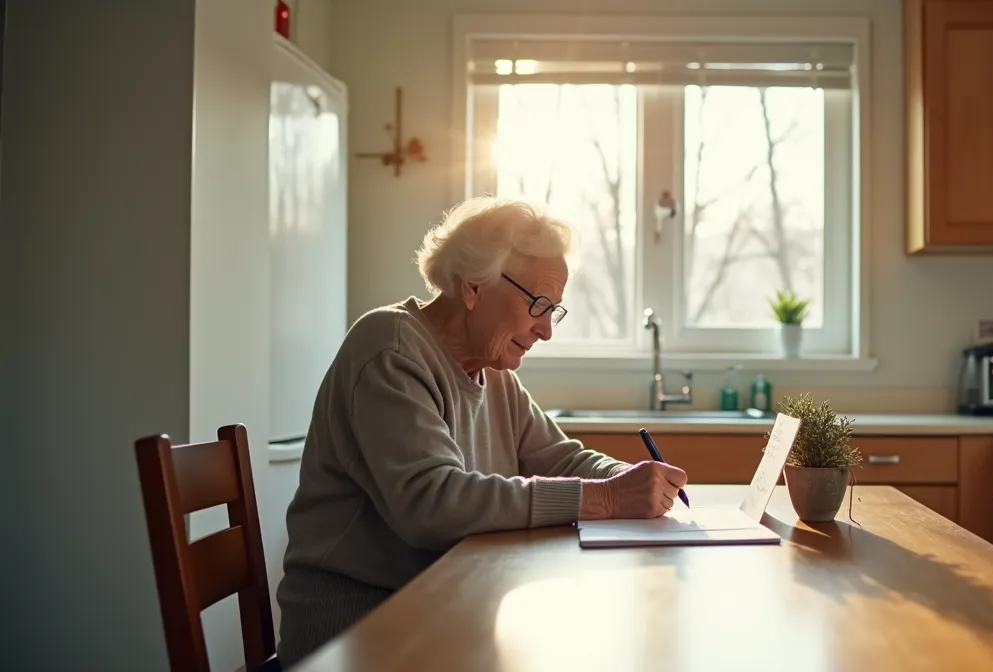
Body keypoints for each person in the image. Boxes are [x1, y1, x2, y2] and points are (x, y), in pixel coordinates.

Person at [275, 197, 688, 665]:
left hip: (441, 606)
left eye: (555, 310)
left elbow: (563, 459)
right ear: (473, 287)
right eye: (538, 304)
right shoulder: (390, 348)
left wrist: (634, 480)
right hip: (359, 630)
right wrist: (609, 498)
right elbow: (433, 503)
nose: (546, 330)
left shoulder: (494, 374)